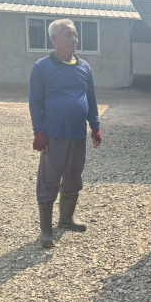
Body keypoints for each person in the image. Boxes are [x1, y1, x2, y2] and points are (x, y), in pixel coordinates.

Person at [29, 18, 102, 248]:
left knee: (73, 175)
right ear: (54, 39)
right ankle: (46, 231)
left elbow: (90, 98)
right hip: (54, 133)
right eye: (68, 35)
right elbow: (35, 102)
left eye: (75, 35)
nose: (74, 39)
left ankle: (66, 219)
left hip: (77, 133)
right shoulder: (42, 67)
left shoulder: (84, 67)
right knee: (49, 179)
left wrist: (95, 126)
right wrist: (39, 133)